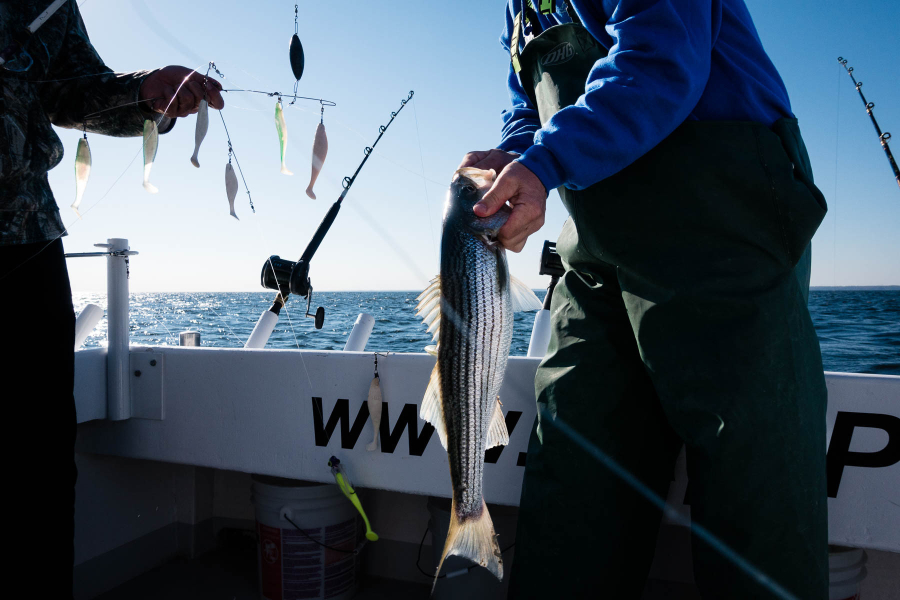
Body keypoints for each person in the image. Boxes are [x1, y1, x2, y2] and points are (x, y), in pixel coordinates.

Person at [461, 1, 828, 598]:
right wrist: (516, 153)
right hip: (597, 230)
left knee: (755, 494)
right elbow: (526, 106)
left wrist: (546, 163)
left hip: (721, 207)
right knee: (573, 471)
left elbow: (661, 59)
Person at [0, 1, 224, 596]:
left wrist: (146, 93)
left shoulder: (47, 3)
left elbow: (72, 90)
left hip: (25, 241)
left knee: (40, 464)